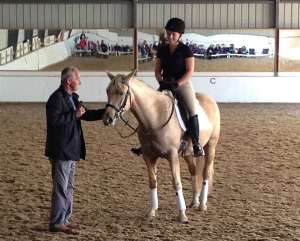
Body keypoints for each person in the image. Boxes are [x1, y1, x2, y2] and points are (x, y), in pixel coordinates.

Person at [132, 18, 204, 157]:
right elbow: (157, 70)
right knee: (149, 108)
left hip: (182, 84)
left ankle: (196, 144)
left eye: (174, 34)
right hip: (166, 84)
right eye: (169, 33)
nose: (170, 36)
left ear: (180, 35)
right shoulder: (162, 50)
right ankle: (144, 143)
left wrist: (177, 84)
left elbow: (189, 71)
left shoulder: (186, 50)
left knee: (192, 110)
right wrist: (161, 82)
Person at [45, 67, 105, 234]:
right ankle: (56, 222)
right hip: (61, 150)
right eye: (78, 79)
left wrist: (106, 111)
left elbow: (87, 114)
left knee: (69, 187)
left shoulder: (73, 98)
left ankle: (64, 219)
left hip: (71, 149)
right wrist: (74, 115)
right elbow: (54, 122)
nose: (80, 82)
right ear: (68, 81)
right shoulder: (56, 99)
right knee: (61, 187)